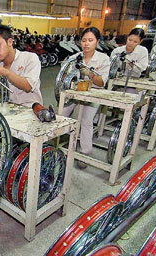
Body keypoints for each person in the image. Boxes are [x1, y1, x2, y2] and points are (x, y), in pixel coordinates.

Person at [62, 27, 110, 169]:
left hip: (94, 93)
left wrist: (89, 73)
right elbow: (65, 78)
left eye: (90, 40)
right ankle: (56, 145)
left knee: (86, 121)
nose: (86, 44)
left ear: (97, 42)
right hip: (74, 92)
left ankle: (85, 153)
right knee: (61, 116)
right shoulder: (74, 57)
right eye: (84, 40)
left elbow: (101, 83)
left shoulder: (103, 58)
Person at [0, 24, 43, 107]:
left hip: (31, 110)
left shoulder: (30, 58)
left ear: (10, 42)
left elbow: (28, 86)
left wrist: (7, 73)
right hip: (9, 110)